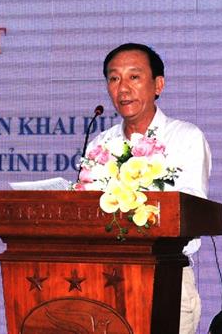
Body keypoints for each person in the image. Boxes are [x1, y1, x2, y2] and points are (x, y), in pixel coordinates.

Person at [87, 43, 212, 334]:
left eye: (134, 77)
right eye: (114, 78)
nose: (123, 88)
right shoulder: (100, 145)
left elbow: (189, 208)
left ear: (158, 85)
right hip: (104, 280)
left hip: (166, 276)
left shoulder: (185, 138)